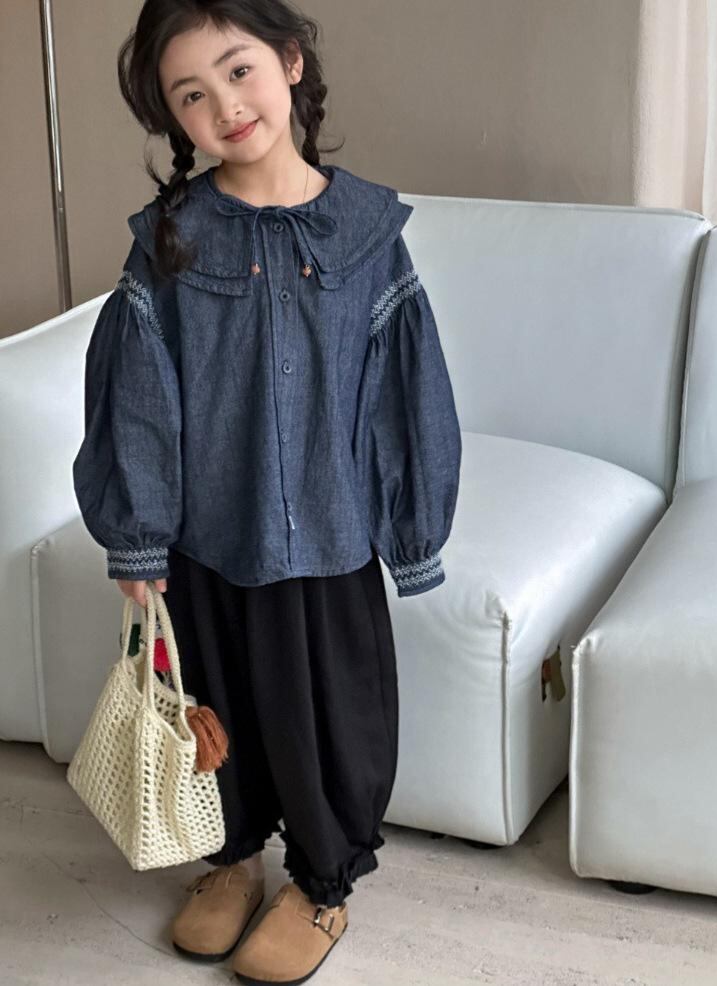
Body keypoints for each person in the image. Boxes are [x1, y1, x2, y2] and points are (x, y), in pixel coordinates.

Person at [71, 1, 462, 983]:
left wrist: (410, 532)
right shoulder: (169, 241)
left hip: (328, 538)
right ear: (171, 117)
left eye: (239, 71)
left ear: (289, 63)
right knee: (218, 705)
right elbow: (138, 395)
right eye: (190, 95)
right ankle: (231, 857)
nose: (225, 106)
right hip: (208, 536)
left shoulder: (368, 232)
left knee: (324, 719)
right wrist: (137, 538)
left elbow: (403, 392)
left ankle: (322, 882)